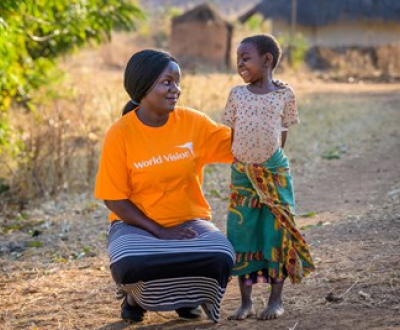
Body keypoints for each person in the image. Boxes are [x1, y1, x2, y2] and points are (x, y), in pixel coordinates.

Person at [94, 49, 235, 323]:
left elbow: (240, 147)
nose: (176, 90)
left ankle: (187, 298)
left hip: (189, 221)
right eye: (167, 82)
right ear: (143, 87)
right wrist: (160, 231)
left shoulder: (193, 122)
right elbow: (114, 198)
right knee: (130, 261)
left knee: (220, 255)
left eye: (177, 82)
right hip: (134, 226)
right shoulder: (120, 134)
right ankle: (135, 298)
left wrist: (260, 103)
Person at [221, 34, 315, 321]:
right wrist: (246, 166)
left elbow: (282, 133)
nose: (239, 64)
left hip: (274, 172)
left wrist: (268, 169)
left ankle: (276, 300)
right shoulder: (237, 94)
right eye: (237, 59)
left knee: (276, 233)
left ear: (267, 60)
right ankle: (246, 302)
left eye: (245, 58)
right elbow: (233, 134)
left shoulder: (284, 95)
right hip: (243, 176)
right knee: (242, 235)